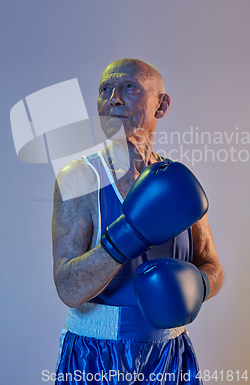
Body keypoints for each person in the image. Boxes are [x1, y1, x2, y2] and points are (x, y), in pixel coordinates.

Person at [52, 58, 223, 384]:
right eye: (105, 89)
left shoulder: (177, 183)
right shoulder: (78, 178)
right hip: (96, 357)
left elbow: (212, 266)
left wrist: (198, 287)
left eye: (128, 87)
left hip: (169, 357)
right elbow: (67, 288)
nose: (113, 98)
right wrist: (128, 235)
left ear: (162, 105)